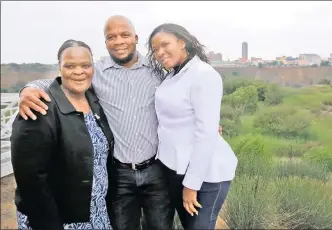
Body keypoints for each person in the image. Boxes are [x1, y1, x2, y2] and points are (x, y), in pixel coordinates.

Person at [17, 15, 173, 230]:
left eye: (125, 35)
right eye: (111, 37)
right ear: (106, 42)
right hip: (119, 174)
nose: (119, 41)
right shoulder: (94, 71)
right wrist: (27, 89)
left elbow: (182, 94)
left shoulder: (157, 70)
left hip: (155, 169)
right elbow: (63, 78)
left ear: (136, 38)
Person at [11, 39, 114, 229]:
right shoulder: (39, 108)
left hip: (96, 214)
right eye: (70, 66)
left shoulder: (94, 100)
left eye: (85, 65)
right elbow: (31, 181)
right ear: (59, 68)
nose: (78, 71)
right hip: (59, 220)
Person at [148, 23, 238, 229]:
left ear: (182, 42)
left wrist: (191, 185)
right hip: (177, 168)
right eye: (155, 49)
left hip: (206, 176)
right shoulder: (173, 74)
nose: (160, 52)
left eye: (165, 45)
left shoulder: (203, 74)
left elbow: (206, 134)